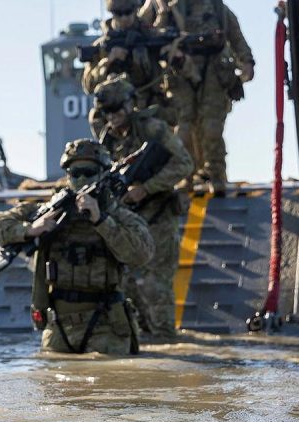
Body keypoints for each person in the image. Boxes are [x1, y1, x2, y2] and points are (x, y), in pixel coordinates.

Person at [0, 139, 154, 354]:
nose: (82, 179)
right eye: (76, 173)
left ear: (102, 174)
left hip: (107, 327)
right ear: (67, 176)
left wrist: (101, 221)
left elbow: (142, 254)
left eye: (89, 172)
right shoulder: (49, 210)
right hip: (58, 329)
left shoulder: (118, 215)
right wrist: (29, 229)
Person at [94, 76, 193, 340]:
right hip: (127, 217)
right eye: (106, 112)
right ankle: (145, 336)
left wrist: (146, 188)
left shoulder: (152, 129)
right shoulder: (108, 139)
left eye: (115, 109)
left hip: (158, 213)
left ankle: (165, 340)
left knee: (155, 282)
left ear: (129, 105)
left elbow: (184, 164)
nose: (111, 116)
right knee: (124, 281)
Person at [139, 0, 254, 194]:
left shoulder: (217, 8)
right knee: (183, 127)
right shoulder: (161, 6)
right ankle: (186, 176)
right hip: (179, 74)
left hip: (214, 72)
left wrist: (247, 61)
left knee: (211, 127)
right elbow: (141, 29)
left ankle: (216, 175)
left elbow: (235, 35)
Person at [83, 0, 173, 137]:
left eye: (128, 12)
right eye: (119, 14)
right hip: (116, 112)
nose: (124, 18)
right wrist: (108, 61)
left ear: (135, 10)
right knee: (96, 115)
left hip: (148, 105)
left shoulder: (148, 36)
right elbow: (88, 85)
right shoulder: (103, 46)